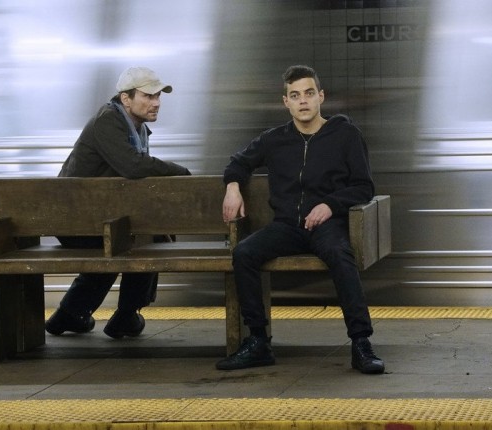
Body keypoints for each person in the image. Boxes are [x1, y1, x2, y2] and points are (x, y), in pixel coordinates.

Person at [216, 65, 385, 374]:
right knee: (243, 253)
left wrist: (330, 205)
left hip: (327, 226)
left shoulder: (345, 135)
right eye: (295, 96)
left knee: (340, 255)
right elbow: (238, 163)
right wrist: (233, 188)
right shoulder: (274, 139)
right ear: (286, 102)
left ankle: (361, 342)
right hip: (287, 227)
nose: (303, 101)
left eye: (309, 93)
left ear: (321, 96)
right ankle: (258, 341)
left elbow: (364, 187)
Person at [46, 66, 191, 339]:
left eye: (158, 96)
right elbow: (133, 166)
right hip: (74, 220)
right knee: (143, 243)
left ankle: (70, 314)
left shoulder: (136, 128)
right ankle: (125, 316)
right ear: (126, 98)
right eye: (148, 96)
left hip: (92, 217)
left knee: (136, 240)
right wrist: (179, 171)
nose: (156, 102)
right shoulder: (108, 121)